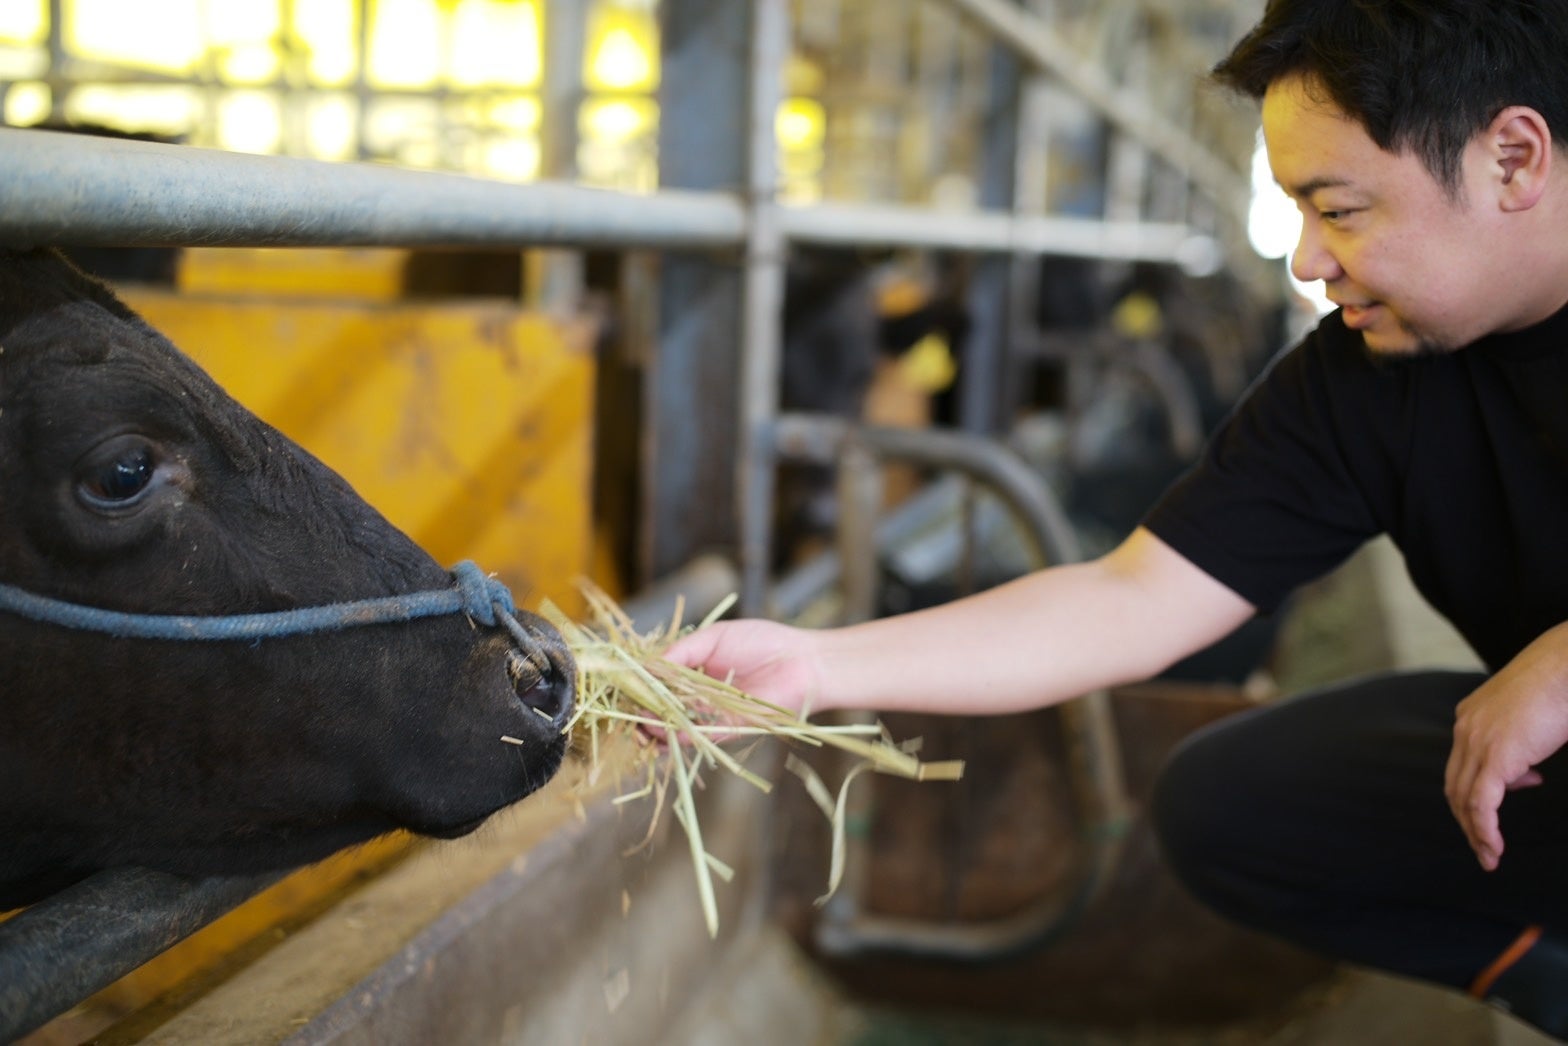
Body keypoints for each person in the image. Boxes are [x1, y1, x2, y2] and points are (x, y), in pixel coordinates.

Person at [665, 0, 1568, 1038]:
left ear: (1512, 159)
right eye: (1297, 211)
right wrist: (814, 665)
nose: (1306, 261)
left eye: (1341, 210)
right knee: (1232, 801)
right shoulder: (1370, 378)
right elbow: (1133, 594)